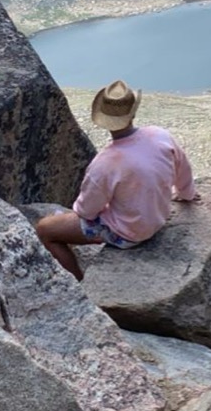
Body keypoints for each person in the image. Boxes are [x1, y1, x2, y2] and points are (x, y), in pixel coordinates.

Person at [36, 79, 200, 281]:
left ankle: (80, 283)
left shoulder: (105, 163)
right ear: (133, 112)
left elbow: (86, 211)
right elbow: (183, 168)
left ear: (102, 119)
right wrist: (187, 194)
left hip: (126, 234)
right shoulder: (161, 135)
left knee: (45, 229)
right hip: (159, 218)